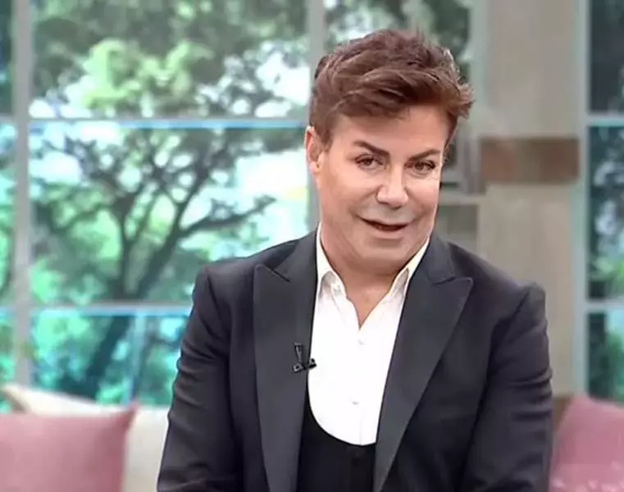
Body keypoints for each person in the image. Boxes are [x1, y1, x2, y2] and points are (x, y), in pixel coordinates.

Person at [157, 28, 553, 492]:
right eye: (369, 161)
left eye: (422, 166)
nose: (395, 193)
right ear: (315, 153)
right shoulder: (231, 302)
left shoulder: (503, 317)